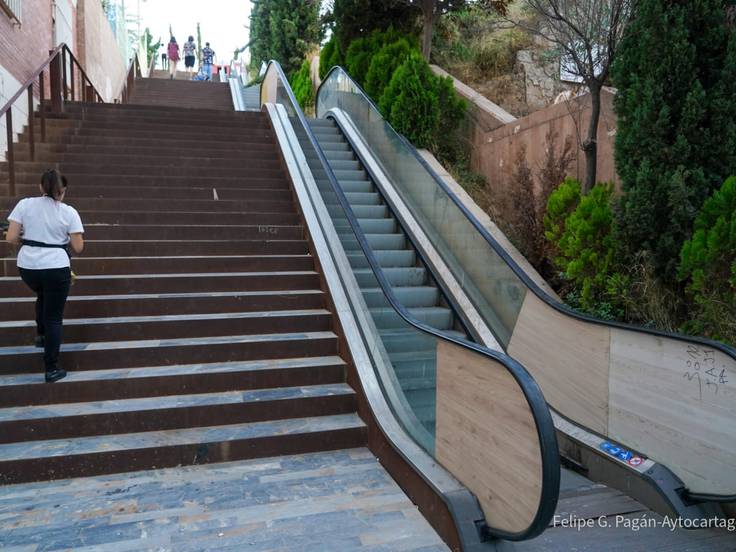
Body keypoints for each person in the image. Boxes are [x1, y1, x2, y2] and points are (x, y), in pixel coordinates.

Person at [5, 170, 84, 383]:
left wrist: (31, 239)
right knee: (54, 318)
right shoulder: (69, 212)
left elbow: (11, 237)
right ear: (63, 190)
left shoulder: (25, 204)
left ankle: (41, 335)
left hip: (28, 266)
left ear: (41, 187)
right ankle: (52, 368)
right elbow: (78, 247)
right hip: (56, 266)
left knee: (42, 294)